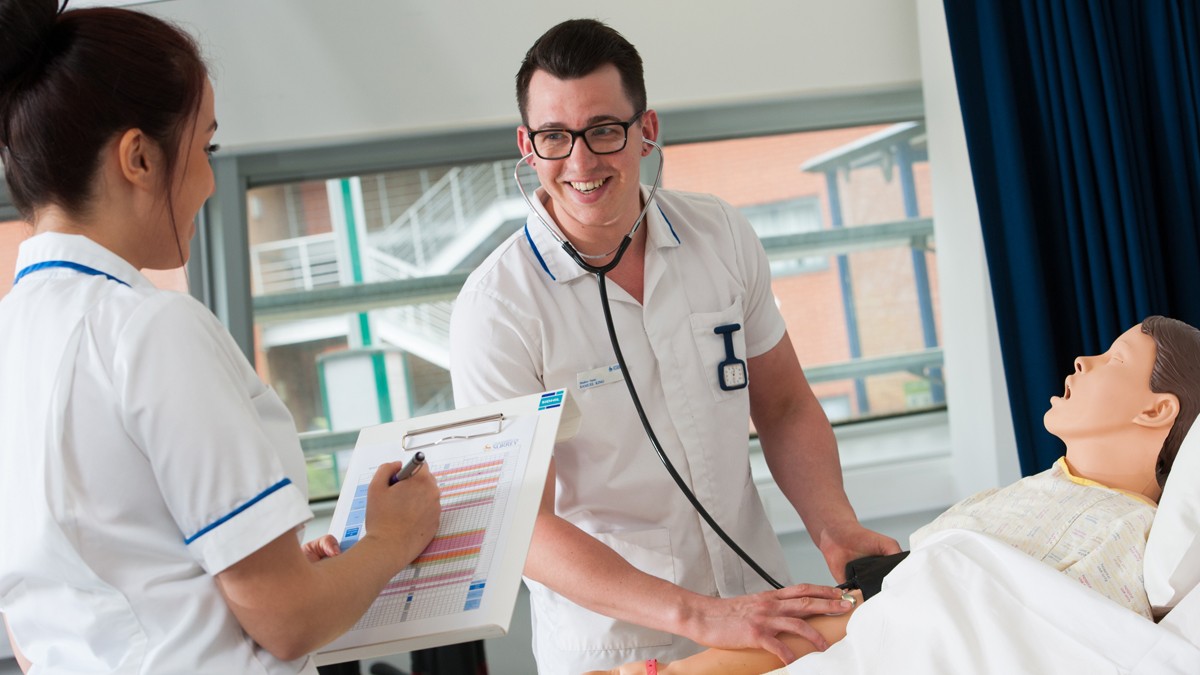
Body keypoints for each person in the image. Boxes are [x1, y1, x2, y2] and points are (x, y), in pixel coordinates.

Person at [0, 2, 441, 673]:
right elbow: (287, 620)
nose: (207, 179)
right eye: (205, 147)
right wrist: (391, 537)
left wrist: (293, 569)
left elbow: (39, 634)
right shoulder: (148, 330)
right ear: (140, 158)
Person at [448, 18, 898, 674]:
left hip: (762, 610)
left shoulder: (719, 234)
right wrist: (699, 613)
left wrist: (834, 524)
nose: (580, 162)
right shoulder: (496, 310)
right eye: (554, 137)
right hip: (616, 647)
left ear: (646, 129)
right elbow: (523, 527)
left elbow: (784, 405)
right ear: (527, 144)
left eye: (604, 129)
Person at [590, 315, 1200, 675]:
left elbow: (1012, 636)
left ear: (1156, 409)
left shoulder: (1116, 530)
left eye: (1115, 358)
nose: (1083, 360)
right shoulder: (1050, 490)